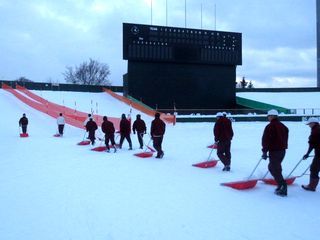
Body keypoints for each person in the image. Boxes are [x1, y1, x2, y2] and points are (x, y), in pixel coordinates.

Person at [261, 109, 289, 197]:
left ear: (272, 116)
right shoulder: (283, 126)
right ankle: (280, 185)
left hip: (275, 151)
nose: (268, 118)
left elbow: (266, 140)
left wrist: (265, 151)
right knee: (276, 167)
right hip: (282, 151)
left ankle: (283, 186)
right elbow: (286, 135)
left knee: (273, 168)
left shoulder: (270, 126)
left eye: (268, 116)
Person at [301, 117, 320, 192]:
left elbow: (312, 144)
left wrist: (307, 154)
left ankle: (311, 186)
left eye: (310, 124)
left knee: (314, 169)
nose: (309, 125)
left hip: (319, 154)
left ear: (314, 123)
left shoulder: (315, 131)